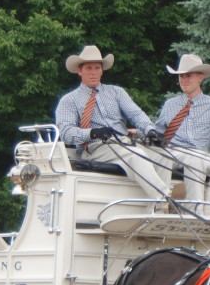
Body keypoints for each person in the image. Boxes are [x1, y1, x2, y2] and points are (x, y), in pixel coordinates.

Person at [55, 45, 169, 202]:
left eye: (97, 67)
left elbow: (135, 114)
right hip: (95, 148)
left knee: (163, 156)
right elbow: (66, 133)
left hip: (125, 142)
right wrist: (92, 133)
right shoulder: (69, 100)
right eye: (89, 68)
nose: (94, 72)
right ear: (79, 71)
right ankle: (165, 200)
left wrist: (150, 130)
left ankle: (159, 208)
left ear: (102, 70)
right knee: (136, 156)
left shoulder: (116, 92)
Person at [154, 54, 210, 214]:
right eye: (181, 76)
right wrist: (138, 131)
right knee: (195, 159)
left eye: (188, 76)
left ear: (200, 77)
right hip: (174, 153)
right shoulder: (170, 104)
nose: (184, 80)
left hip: (202, 154)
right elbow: (156, 132)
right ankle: (194, 212)